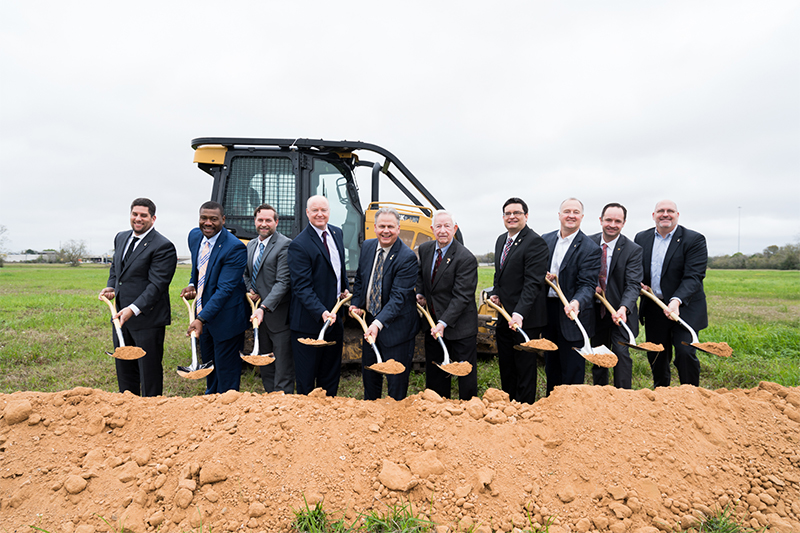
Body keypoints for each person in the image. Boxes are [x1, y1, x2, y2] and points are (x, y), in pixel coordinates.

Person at [99, 198, 177, 397]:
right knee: (125, 370)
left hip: (147, 319)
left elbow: (157, 285)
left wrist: (133, 309)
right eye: (135, 214)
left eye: (143, 215)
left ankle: (151, 412)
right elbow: (117, 267)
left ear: (153, 218)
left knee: (148, 373)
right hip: (120, 317)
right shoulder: (121, 237)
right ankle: (128, 408)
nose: (138, 219)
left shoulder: (163, 246)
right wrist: (111, 286)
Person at [635, 200, 708, 387]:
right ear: (653, 215)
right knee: (657, 354)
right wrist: (641, 285)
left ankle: (690, 394)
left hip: (685, 307)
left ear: (677, 215)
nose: (665, 214)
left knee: (685, 353)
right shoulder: (641, 238)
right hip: (654, 306)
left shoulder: (694, 239)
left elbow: (694, 276)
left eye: (670, 211)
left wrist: (676, 301)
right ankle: (661, 393)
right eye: (660, 211)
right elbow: (637, 270)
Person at [350, 207, 420, 401]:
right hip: (371, 324)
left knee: (395, 386)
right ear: (374, 228)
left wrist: (377, 324)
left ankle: (395, 424)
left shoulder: (407, 258)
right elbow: (361, 280)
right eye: (382, 226)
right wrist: (357, 304)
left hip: (396, 330)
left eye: (390, 226)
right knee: (370, 379)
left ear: (398, 229)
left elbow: (398, 298)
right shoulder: (368, 247)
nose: (386, 231)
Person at [180, 201, 250, 394]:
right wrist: (193, 283)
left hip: (227, 317)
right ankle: (212, 400)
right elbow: (198, 267)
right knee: (209, 365)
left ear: (223, 220)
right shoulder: (195, 237)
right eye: (204, 218)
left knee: (226, 371)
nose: (208, 223)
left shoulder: (234, 248)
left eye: (214, 219)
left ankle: (227, 408)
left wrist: (201, 318)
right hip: (205, 314)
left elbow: (225, 289)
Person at [489, 197, 549, 404]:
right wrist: (496, 292)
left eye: (517, 213)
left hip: (526, 318)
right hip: (504, 314)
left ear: (526, 216)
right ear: (503, 217)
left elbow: (533, 282)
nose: (512, 217)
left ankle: (524, 408)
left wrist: (519, 312)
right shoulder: (501, 240)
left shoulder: (535, 242)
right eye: (508, 213)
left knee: (524, 366)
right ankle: (508, 403)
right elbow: (500, 273)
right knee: (506, 363)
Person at [288, 195, 349, 396]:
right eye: (315, 210)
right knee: (307, 379)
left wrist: (345, 289)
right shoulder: (299, 244)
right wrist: (322, 312)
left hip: (334, 320)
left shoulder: (337, 234)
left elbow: (339, 270)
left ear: (329, 212)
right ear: (307, 213)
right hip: (309, 323)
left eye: (323, 210)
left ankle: (328, 414)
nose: (320, 214)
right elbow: (301, 287)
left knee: (330, 375)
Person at [416, 210, 478, 400]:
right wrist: (420, 292)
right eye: (439, 226)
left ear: (455, 229)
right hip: (433, 322)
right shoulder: (425, 249)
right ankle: (438, 409)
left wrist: (443, 323)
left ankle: (467, 411)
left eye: (447, 226)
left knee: (464, 374)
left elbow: (462, 297)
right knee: (436, 372)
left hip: (459, 327)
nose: (443, 231)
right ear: (432, 229)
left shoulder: (465, 258)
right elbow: (421, 276)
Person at [542, 198, 601, 395]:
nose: (571, 215)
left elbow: (587, 285)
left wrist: (576, 302)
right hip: (548, 311)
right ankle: (552, 405)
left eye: (576, 212)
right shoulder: (546, 240)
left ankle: (571, 408)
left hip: (572, 313)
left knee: (572, 368)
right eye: (567, 211)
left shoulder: (590, 248)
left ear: (582, 217)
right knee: (551, 364)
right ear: (559, 215)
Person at [589, 203, 643, 389]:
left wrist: (623, 307)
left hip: (620, 312)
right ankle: (601, 393)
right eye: (608, 220)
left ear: (624, 223)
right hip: (596, 312)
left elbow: (633, 284)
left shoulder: (633, 249)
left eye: (617, 221)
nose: (612, 224)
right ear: (601, 220)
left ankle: (623, 397)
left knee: (621, 353)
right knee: (599, 355)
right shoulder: (588, 243)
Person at [243, 204, 293, 393]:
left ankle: (283, 400)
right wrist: (250, 289)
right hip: (258, 316)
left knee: (282, 364)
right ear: (255, 221)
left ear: (276, 222)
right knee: (265, 361)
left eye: (268, 220)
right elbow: (246, 274)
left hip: (278, 314)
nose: (264, 224)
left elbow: (283, 282)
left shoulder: (284, 244)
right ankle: (270, 399)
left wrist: (263, 307)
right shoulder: (252, 245)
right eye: (260, 220)